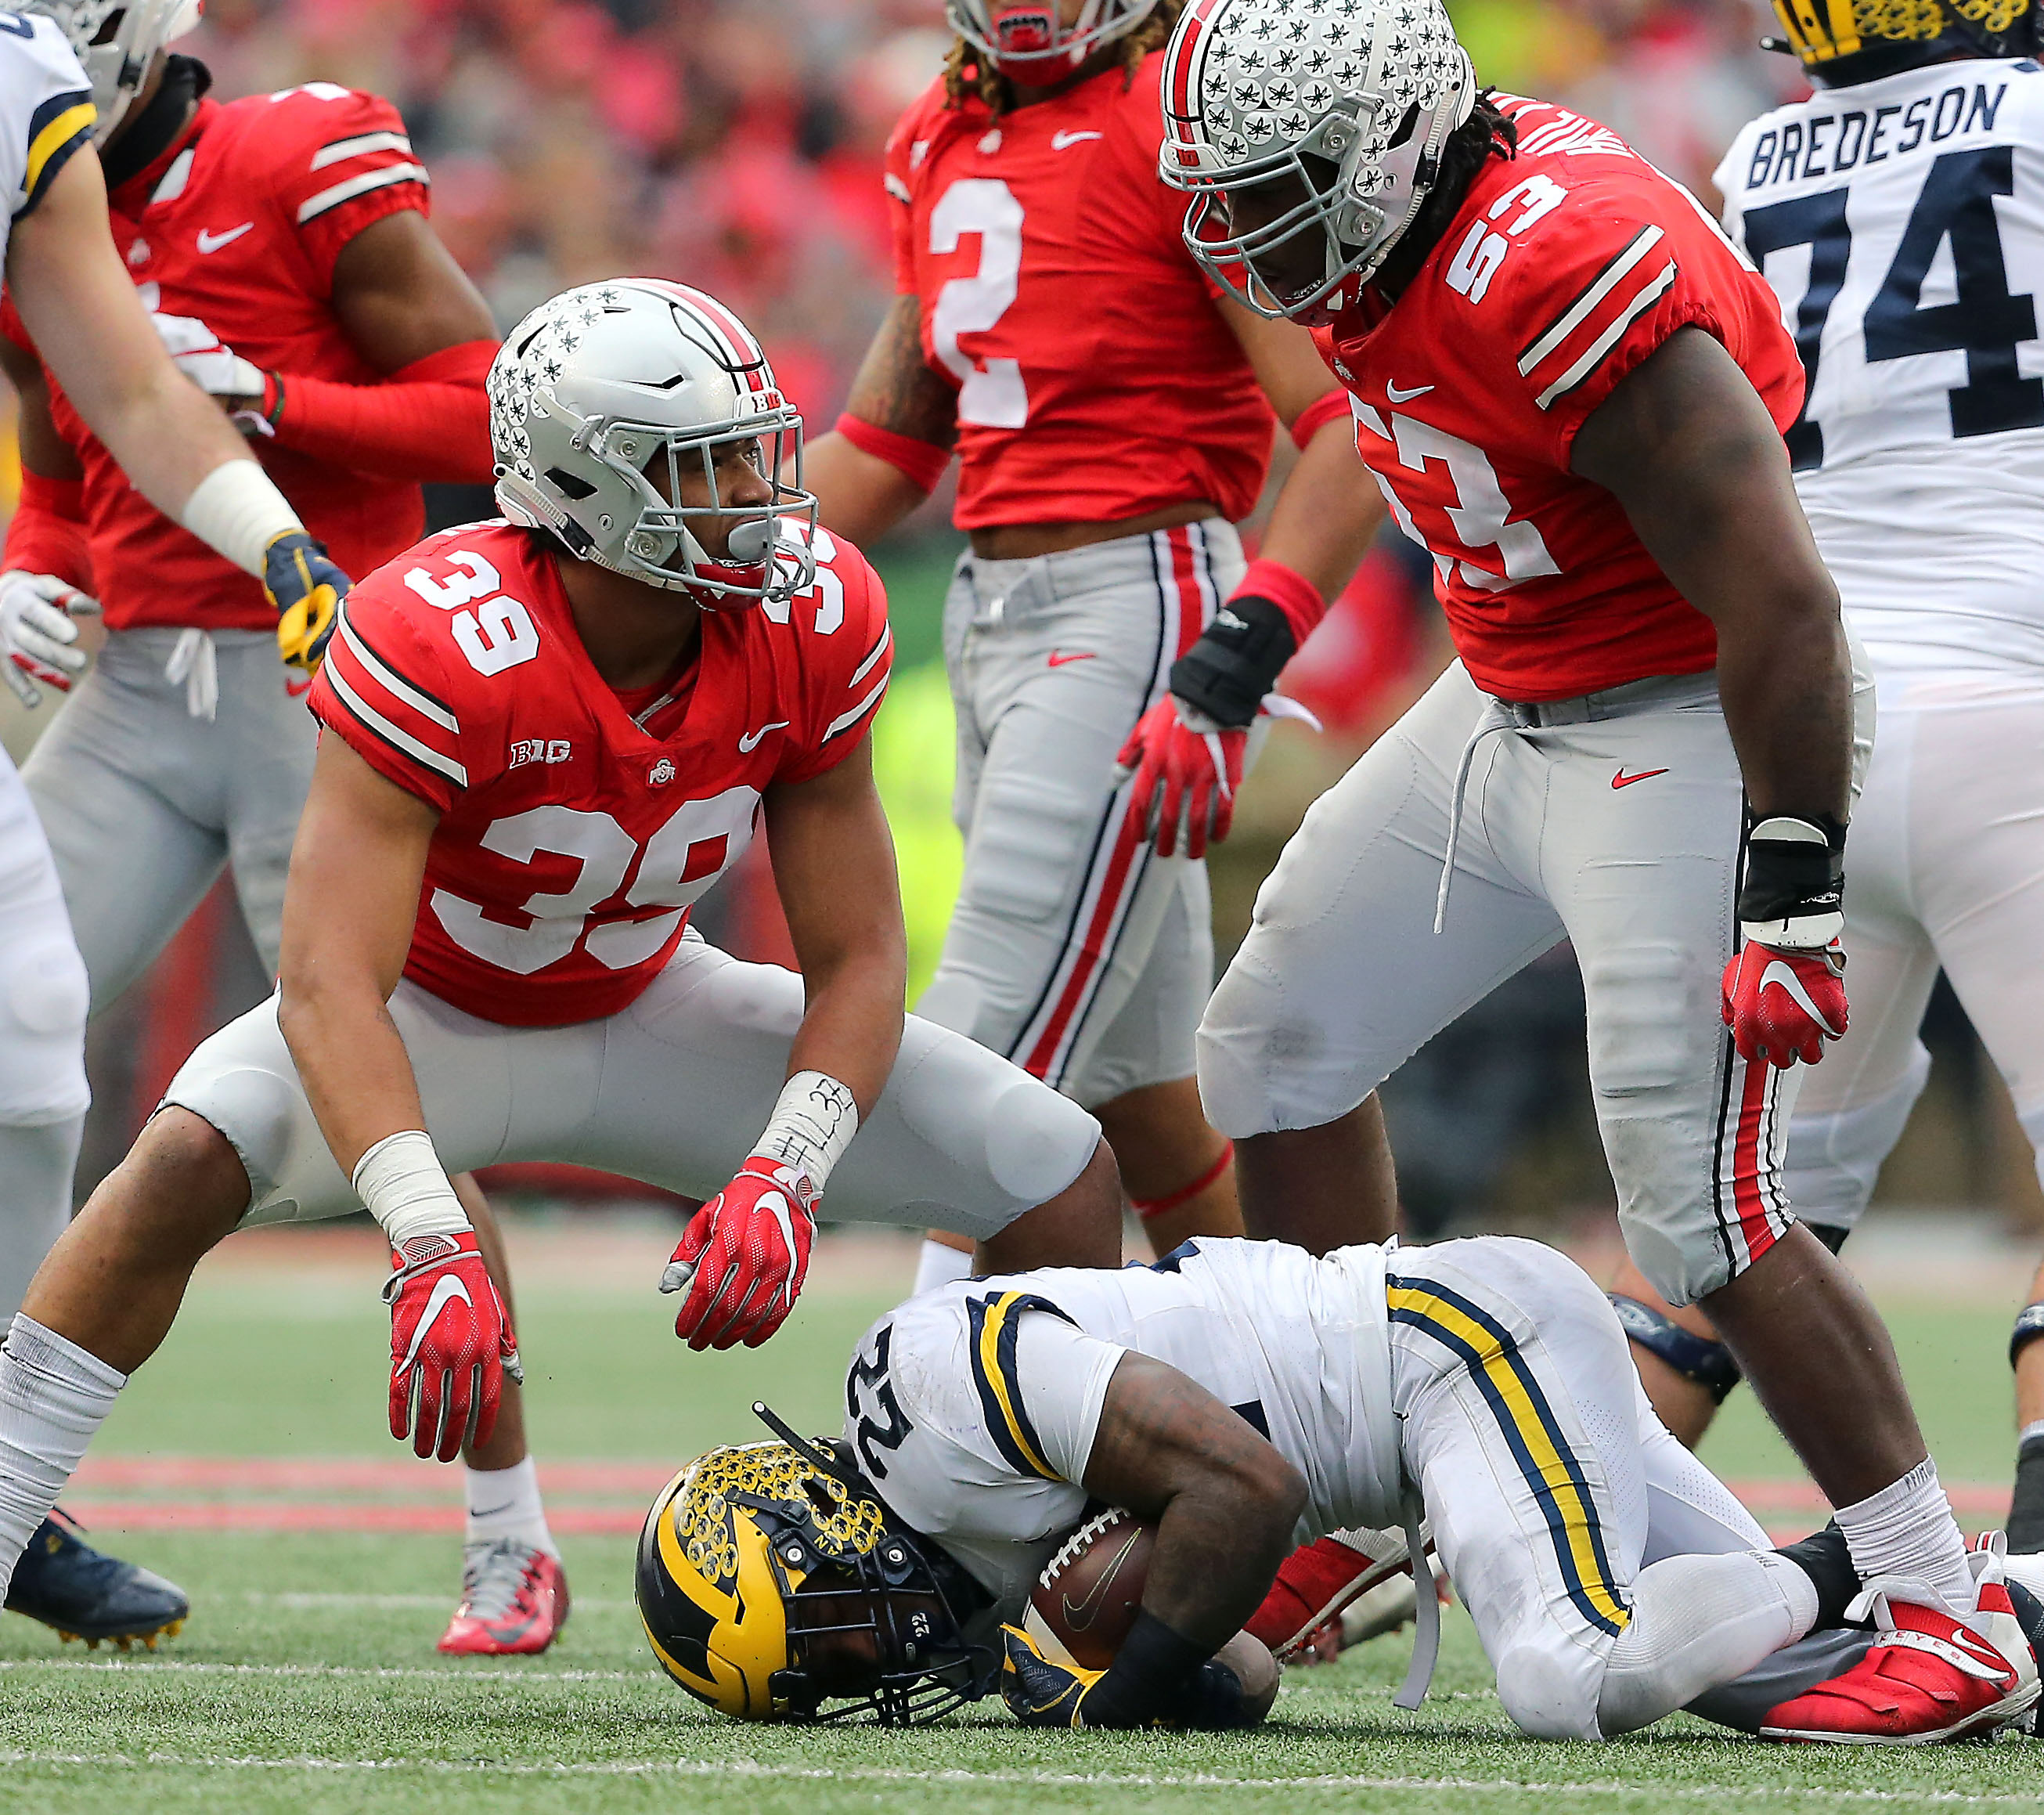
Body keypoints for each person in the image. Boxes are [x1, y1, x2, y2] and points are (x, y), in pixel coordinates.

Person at [0, 277, 1127, 1710]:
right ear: (589, 492)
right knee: (172, 1172)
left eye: (753, 453)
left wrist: (787, 1167)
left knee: (1055, 1169)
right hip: (430, 1018)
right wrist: (424, 1237)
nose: (760, 494)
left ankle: (1016, 1582)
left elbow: (859, 956)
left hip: (652, 1001)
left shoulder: (811, 611)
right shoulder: (438, 630)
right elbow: (329, 981)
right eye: (708, 467)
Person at [1109, 0, 2031, 1745]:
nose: (1246, 237)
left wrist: (1792, 888)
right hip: (1513, 691)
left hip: (1681, 711)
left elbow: (1782, 599)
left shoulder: (1556, 255)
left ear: (1386, 154)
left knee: (1703, 1207)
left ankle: (1944, 1603)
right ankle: (1366, 1478)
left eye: (1280, 194)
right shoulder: (1397, 222)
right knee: (1274, 1056)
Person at [0, 0, 551, 1659]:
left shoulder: (292, 151)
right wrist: (46, 563)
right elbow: (69, 457)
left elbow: (491, 407)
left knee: (387, 1081)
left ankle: (510, 1530)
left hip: (319, 685)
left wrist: (283, 406)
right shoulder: (18, 155)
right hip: (128, 693)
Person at [802, 0, 1382, 1289]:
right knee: (1141, 1093)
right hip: (990, 611)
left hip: (1140, 592)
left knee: (978, 1046)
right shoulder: (940, 132)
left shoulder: (1181, 120)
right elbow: (892, 446)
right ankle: (1278, 1420)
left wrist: (1241, 648)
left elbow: (1339, 423)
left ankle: (915, 1442)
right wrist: (705, 555)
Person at [637, 1233, 2039, 1741]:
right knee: (1760, 1685)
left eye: (828, 1633)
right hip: (1438, 1405)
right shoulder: (973, 1549)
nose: (867, 1659)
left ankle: (1860, 1552)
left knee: (1566, 1679)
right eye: (828, 1675)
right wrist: (1162, 1675)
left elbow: (1247, 1486)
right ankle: (1984, 1600)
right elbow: (1245, 1673)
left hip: (1455, 1353)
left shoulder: (924, 1386)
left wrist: (1115, 1702)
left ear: (808, 1531)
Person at [1605, 3, 2044, 1548]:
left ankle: (1557, 1518)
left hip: (1812, 737)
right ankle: (2040, 1552)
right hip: (2015, 698)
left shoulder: (1754, 158)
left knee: (1758, 1205)